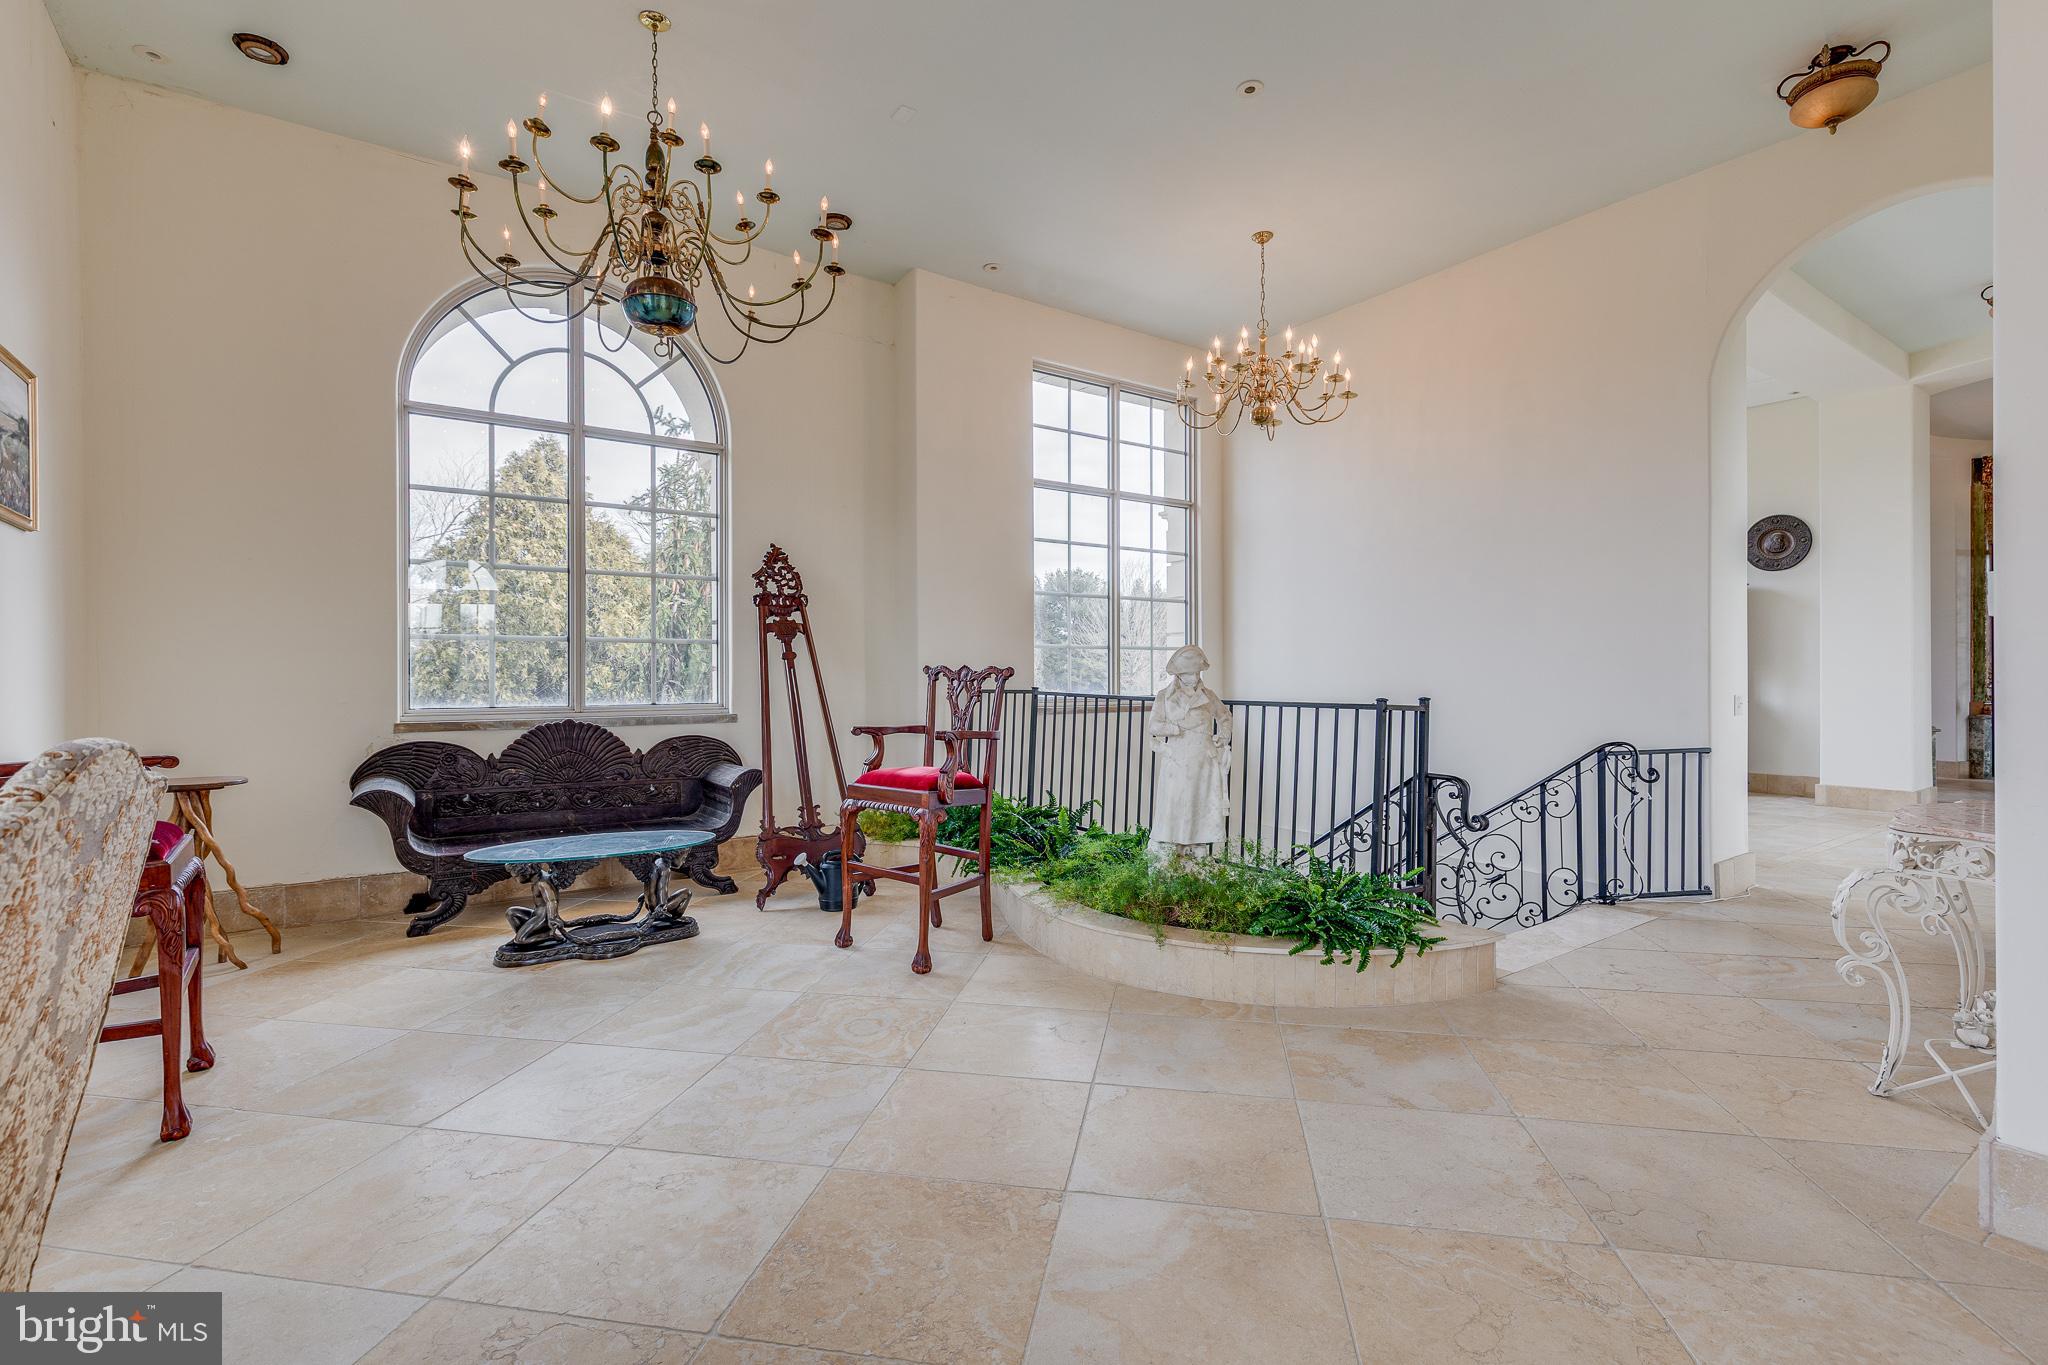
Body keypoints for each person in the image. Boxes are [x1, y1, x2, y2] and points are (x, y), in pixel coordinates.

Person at [1147, 644, 1232, 860]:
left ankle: (1196, 843)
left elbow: (1224, 716)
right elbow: (1154, 726)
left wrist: (1223, 736)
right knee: (1175, 801)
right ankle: (1172, 843)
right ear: (1179, 675)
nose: (1194, 676)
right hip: (1177, 758)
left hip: (1203, 758)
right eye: (1189, 673)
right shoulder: (1164, 696)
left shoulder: (1209, 695)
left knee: (1200, 801)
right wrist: (1174, 729)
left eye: (1196, 672)